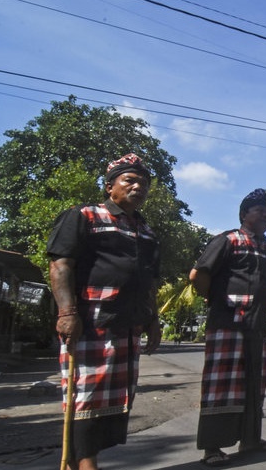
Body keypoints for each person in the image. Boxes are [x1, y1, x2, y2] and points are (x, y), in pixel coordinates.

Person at [47, 153, 162, 470]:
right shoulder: (84, 216)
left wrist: (153, 321)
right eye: (130, 180)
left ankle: (82, 460)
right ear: (110, 186)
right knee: (85, 397)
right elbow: (60, 265)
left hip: (128, 327)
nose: (138, 186)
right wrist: (67, 313)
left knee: (114, 401)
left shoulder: (147, 232)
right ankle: (84, 463)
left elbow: (150, 281)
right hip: (91, 323)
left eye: (144, 183)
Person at [193, 189, 266, 467]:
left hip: (257, 328)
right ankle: (212, 448)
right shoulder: (228, 240)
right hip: (226, 324)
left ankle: (250, 439)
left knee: (254, 385)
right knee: (221, 385)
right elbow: (199, 275)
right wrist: (216, 301)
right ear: (244, 215)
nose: (265, 214)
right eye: (258, 209)